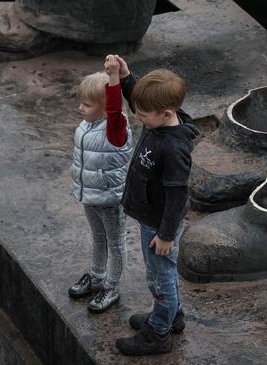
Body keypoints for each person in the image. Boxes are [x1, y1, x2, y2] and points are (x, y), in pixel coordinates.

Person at [111, 56, 199, 356]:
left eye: (142, 115)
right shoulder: (158, 122)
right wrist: (125, 77)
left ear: (166, 113)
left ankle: (158, 334)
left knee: (159, 278)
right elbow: (140, 97)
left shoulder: (173, 148)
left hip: (160, 224)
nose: (137, 118)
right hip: (150, 216)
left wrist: (164, 235)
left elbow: (177, 197)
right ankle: (172, 317)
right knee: (163, 275)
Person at [67, 56, 132, 313]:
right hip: (90, 195)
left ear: (106, 108)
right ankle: (95, 276)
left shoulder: (115, 128)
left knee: (115, 243)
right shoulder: (88, 124)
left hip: (110, 197)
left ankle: (111, 285)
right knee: (98, 237)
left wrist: (115, 78)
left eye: (86, 104)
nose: (80, 108)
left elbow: (116, 107)